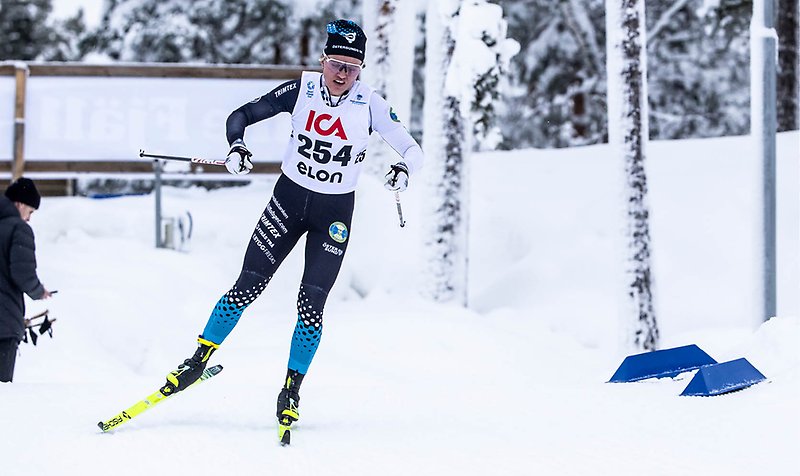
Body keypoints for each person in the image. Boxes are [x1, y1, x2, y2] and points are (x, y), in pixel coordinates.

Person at [163, 19, 423, 440]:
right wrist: (236, 147)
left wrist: (403, 170)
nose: (343, 74)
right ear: (323, 60)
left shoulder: (370, 103)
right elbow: (241, 115)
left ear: (361, 71)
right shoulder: (300, 89)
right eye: (336, 63)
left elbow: (412, 149)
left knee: (311, 305)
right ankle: (196, 360)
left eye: (352, 68)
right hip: (287, 202)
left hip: (334, 215)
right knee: (248, 285)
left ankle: (291, 390)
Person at [0, 177, 52, 382]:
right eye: (30, 211)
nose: (29, 218)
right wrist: (39, 291)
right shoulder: (18, 229)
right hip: (3, 323)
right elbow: (23, 273)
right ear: (20, 204)